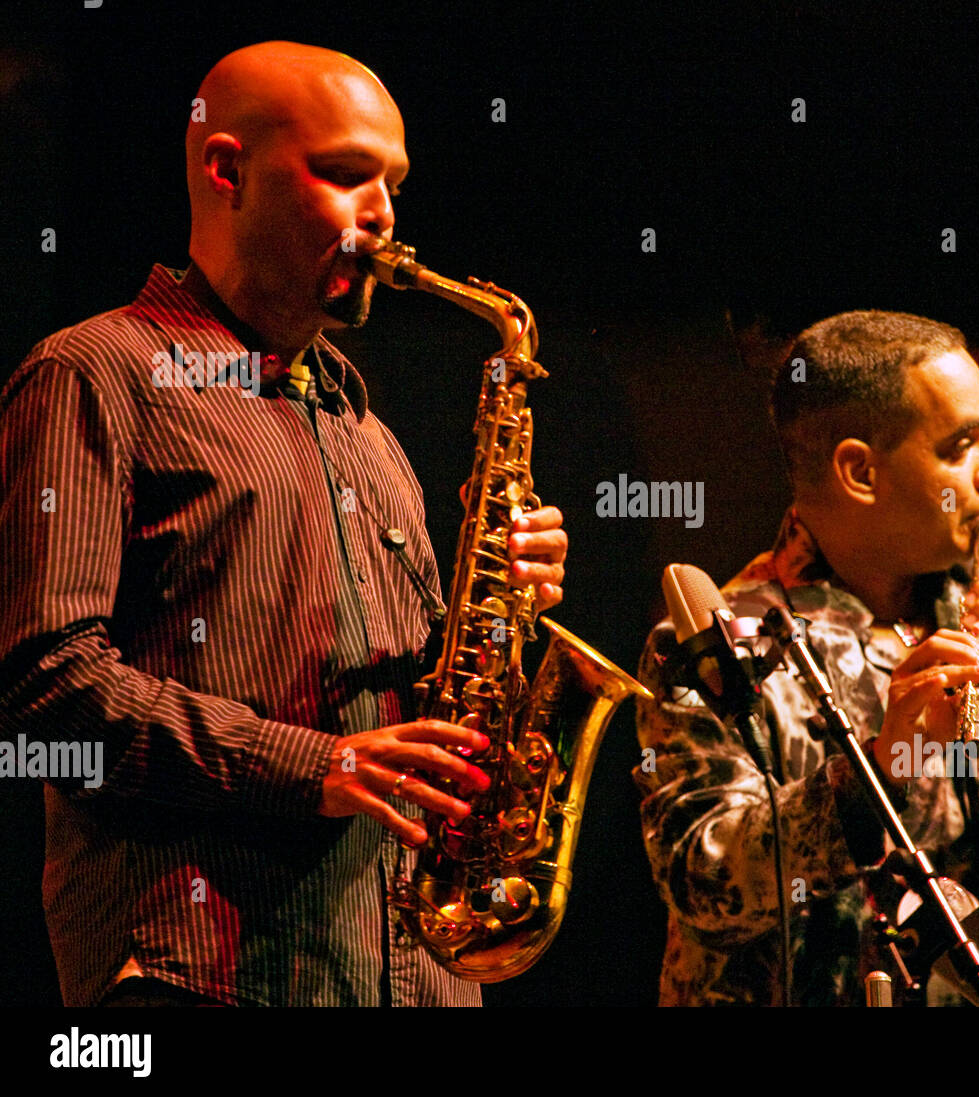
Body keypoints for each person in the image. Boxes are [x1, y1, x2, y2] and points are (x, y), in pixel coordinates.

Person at [0, 42, 567, 1007]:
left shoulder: (366, 432)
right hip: (204, 973)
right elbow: (43, 691)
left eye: (392, 182)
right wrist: (316, 765)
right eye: (346, 175)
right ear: (226, 171)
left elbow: (419, 710)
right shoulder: (95, 374)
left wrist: (507, 623)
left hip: (412, 975)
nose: (382, 213)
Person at [634, 310, 979, 1006]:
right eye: (961, 445)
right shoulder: (718, 644)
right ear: (861, 470)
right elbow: (702, 877)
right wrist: (880, 771)